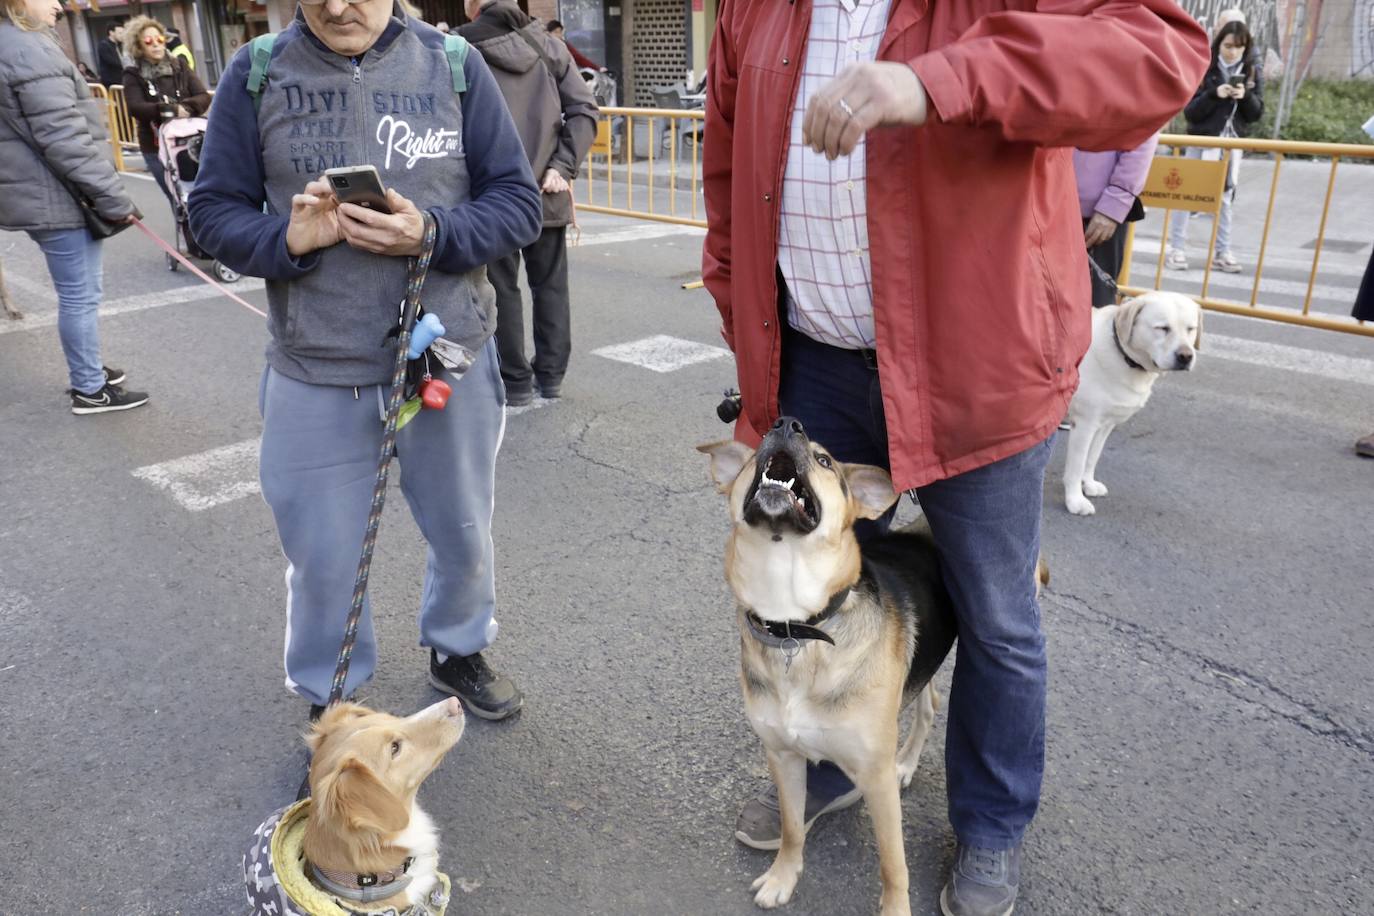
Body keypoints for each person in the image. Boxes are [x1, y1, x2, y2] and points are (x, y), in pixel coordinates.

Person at [702, 1, 1208, 913]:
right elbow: (729, 168)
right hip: (813, 358)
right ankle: (832, 754)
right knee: (820, 582)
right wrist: (743, 320)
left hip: (977, 357)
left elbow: (1159, 54)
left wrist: (939, 81)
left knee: (997, 614)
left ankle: (990, 822)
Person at [188, 0, 541, 722]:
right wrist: (288, 240)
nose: (339, 6)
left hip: (446, 355)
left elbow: (517, 204)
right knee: (322, 558)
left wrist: (431, 232)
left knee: (463, 527)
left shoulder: (454, 63)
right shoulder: (255, 72)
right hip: (315, 365)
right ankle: (334, 697)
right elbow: (213, 213)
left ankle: (458, 647)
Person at [1, 0, 149, 414]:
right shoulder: (27, 48)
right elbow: (65, 138)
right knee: (80, 296)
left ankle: (89, 372)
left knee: (78, 294)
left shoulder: (13, 44)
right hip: (57, 193)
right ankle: (89, 388)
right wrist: (115, 199)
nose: (59, 6)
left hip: (37, 190)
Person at [461, 0, 598, 405]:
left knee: (499, 288)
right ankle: (551, 378)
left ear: (472, 7)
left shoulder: (458, 49)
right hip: (547, 189)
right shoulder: (549, 45)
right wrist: (563, 165)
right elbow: (584, 109)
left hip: (489, 195)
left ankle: (515, 383)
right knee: (550, 287)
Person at [1166, 19, 1264, 274]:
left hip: (1230, 146)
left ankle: (1222, 251)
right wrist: (1214, 94)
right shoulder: (1204, 67)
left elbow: (1256, 113)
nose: (1232, 52)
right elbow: (1190, 112)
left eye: (1238, 47)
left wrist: (1245, 96)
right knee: (1186, 196)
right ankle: (1176, 248)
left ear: (1246, 48)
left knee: (1225, 199)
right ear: (1219, 44)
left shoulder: (1251, 72)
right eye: (1228, 46)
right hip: (1202, 141)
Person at [121, 15, 210, 209]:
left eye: (159, 39)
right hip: (155, 146)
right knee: (178, 200)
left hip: (191, 141)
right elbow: (135, 107)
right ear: (139, 46)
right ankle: (188, 237)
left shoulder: (179, 65)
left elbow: (203, 95)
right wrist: (170, 111)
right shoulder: (133, 73)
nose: (156, 44)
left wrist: (186, 108)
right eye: (148, 41)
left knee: (205, 195)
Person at [1074, 132, 1160, 307]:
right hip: (1042, 201)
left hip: (1096, 211)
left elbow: (1142, 136)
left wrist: (1114, 203)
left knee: (1098, 303)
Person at [96, 19, 124, 87]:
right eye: (120, 33)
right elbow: (112, 62)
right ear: (111, 32)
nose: (122, 35)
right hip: (111, 83)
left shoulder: (120, 45)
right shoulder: (103, 45)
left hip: (121, 80)